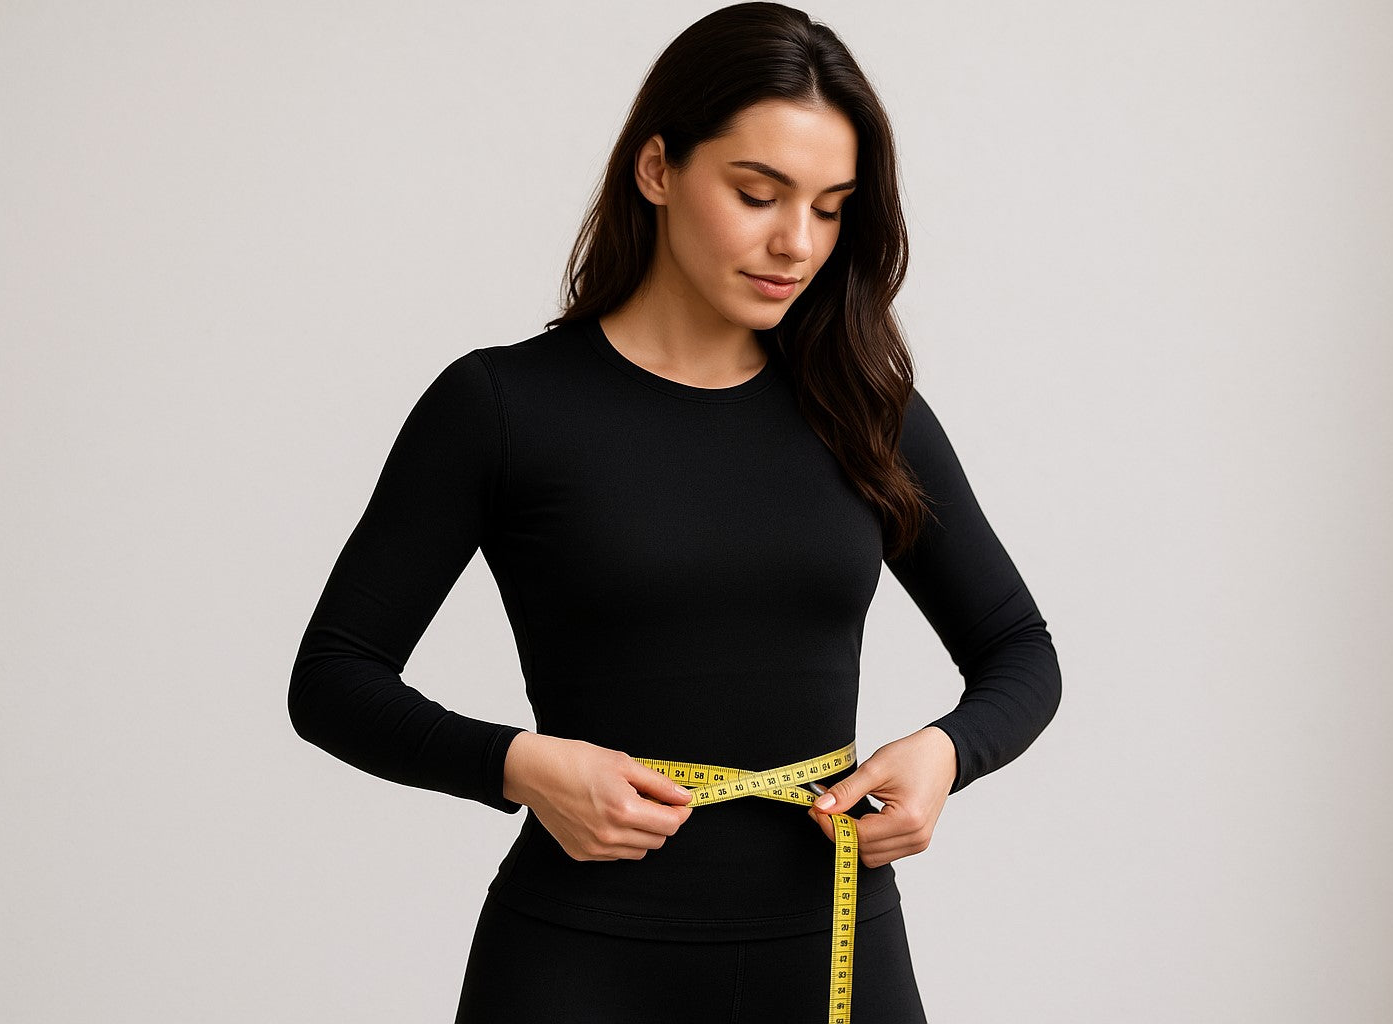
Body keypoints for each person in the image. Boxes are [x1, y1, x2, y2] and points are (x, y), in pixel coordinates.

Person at [287, 4, 1062, 1021]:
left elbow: (1019, 648)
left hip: (831, 943)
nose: (796, 241)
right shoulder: (502, 408)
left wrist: (946, 752)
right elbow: (332, 679)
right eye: (757, 193)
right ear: (657, 169)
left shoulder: (865, 411)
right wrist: (517, 765)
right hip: (580, 962)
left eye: (831, 208)